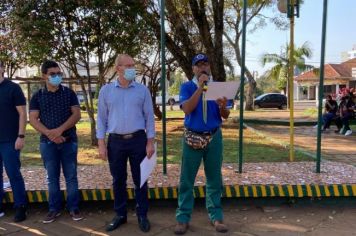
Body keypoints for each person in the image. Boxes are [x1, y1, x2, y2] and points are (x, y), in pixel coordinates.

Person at [97, 54, 155, 233]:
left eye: (133, 65)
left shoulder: (142, 90)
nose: (132, 68)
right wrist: (101, 143)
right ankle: (120, 215)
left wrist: (150, 142)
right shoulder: (106, 91)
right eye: (128, 65)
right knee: (118, 180)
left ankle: (142, 215)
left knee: (141, 180)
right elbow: (101, 118)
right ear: (118, 69)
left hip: (138, 140)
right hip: (115, 142)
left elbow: (149, 118)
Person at [174, 53, 230, 235]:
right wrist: (200, 88)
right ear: (193, 69)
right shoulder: (187, 86)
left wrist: (222, 105)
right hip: (192, 138)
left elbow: (225, 115)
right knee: (186, 179)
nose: (203, 67)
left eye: (205, 64)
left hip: (214, 138)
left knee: (214, 178)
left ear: (210, 67)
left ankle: (216, 216)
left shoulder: (218, 87)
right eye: (198, 65)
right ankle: (183, 218)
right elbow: (187, 109)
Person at [29, 60, 83, 223]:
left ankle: (73, 207)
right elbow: (33, 119)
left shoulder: (69, 93)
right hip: (48, 144)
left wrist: (59, 130)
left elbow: (76, 114)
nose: (57, 76)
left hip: (68, 141)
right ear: (44, 76)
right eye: (53, 74)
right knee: (52, 177)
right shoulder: (37, 96)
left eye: (59, 74)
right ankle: (54, 209)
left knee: (71, 176)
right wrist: (50, 134)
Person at [0, 61, 28, 222]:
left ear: (2, 69)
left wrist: (21, 136)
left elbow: (23, 114)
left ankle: (20, 207)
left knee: (13, 174)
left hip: (10, 140)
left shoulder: (13, 88)